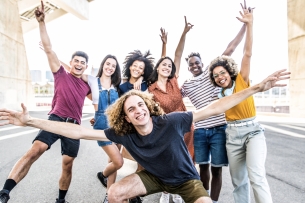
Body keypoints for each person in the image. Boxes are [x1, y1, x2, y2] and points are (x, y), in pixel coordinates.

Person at [0, 69, 290, 203]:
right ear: (126, 117)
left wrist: (256, 88)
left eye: (141, 105)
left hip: (186, 181)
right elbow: (76, 130)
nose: (137, 110)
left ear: (149, 108)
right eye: (130, 108)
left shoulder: (172, 121)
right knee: (114, 193)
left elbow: (215, 106)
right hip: (153, 178)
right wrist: (31, 122)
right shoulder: (122, 133)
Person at [0, 1, 91, 203]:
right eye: (76, 60)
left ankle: (61, 199)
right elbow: (49, 49)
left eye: (82, 62)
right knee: (34, 151)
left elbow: (101, 102)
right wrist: (41, 22)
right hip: (54, 119)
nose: (79, 64)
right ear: (71, 62)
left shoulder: (87, 86)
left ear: (86, 67)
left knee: (68, 164)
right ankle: (4, 193)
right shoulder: (60, 73)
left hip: (73, 126)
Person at [177, 3, 248, 203]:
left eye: (197, 62)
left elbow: (231, 48)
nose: (195, 65)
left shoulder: (212, 73)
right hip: (200, 131)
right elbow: (171, 95)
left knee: (217, 170)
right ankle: (204, 199)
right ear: (188, 68)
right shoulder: (187, 85)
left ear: (202, 62)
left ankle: (214, 201)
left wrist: (245, 25)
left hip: (219, 129)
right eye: (191, 64)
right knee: (203, 168)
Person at [208, 6, 273, 203]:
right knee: (238, 182)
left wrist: (250, 25)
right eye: (216, 75)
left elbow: (247, 53)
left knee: (256, 176)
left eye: (222, 73)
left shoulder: (242, 80)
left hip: (253, 131)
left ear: (229, 72)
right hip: (232, 136)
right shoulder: (219, 94)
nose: (220, 77)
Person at [147, 17, 194, 203]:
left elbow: (178, 54)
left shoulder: (174, 81)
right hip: (166, 130)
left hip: (185, 127)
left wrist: (183, 33)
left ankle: (180, 191)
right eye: (163, 64)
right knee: (168, 160)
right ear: (157, 67)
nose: (167, 67)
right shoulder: (151, 89)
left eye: (169, 66)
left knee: (186, 160)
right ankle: (166, 191)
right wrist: (163, 46)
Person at [85, 55, 123, 203]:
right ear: (103, 64)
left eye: (113, 65)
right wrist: (51, 53)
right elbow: (72, 70)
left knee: (112, 161)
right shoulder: (93, 81)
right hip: (101, 127)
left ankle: (109, 196)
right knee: (117, 162)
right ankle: (103, 175)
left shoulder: (117, 85)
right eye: (108, 64)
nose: (110, 67)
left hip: (117, 126)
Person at [119, 50, 154, 203]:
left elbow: (160, 67)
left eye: (141, 68)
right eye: (135, 66)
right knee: (129, 161)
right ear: (129, 66)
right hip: (129, 128)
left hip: (146, 127)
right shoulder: (122, 86)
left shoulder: (147, 83)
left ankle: (135, 194)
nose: (137, 69)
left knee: (144, 161)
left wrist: (164, 44)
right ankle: (130, 193)